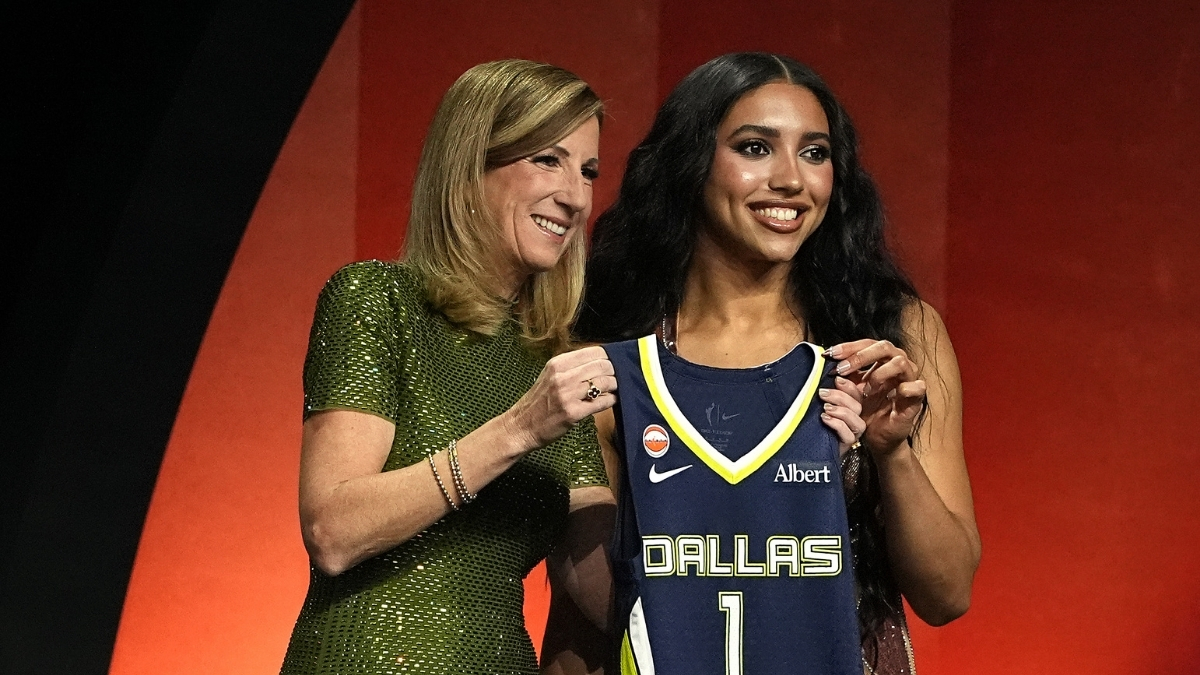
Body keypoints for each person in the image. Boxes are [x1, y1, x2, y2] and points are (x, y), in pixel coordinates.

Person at [576, 53, 980, 675]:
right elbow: (585, 615)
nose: (792, 179)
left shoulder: (892, 336)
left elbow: (948, 593)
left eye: (815, 153)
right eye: (755, 148)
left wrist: (890, 453)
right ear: (690, 163)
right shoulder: (613, 351)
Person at [279, 59, 619, 675]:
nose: (575, 196)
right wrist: (517, 431)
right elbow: (333, 531)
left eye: (588, 170)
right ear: (471, 164)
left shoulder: (553, 366)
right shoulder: (378, 299)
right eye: (547, 159)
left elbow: (607, 594)